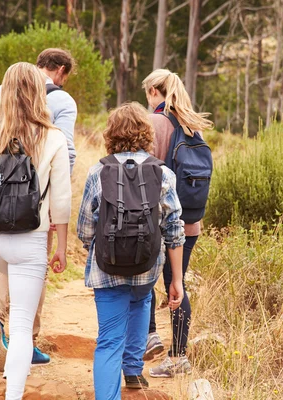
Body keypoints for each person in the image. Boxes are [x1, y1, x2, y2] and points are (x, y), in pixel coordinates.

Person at [0, 62, 71, 400]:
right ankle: (13, 393)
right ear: (40, 92)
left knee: (8, 278)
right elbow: (62, 202)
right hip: (29, 241)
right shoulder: (53, 137)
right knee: (23, 326)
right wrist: (62, 248)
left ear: (5, 91)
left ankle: (9, 364)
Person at [77, 102, 185, 399]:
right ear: (146, 133)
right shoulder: (162, 174)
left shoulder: (98, 171)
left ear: (110, 134)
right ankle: (133, 369)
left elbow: (85, 228)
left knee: (109, 340)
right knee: (141, 301)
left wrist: (100, 249)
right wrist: (176, 280)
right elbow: (174, 230)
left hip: (107, 267)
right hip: (146, 266)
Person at [141, 69, 214, 377]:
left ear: (154, 92)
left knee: (143, 280)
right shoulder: (192, 127)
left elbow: (143, 173)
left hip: (159, 221)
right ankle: (178, 357)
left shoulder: (157, 123)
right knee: (177, 284)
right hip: (190, 224)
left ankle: (150, 337)